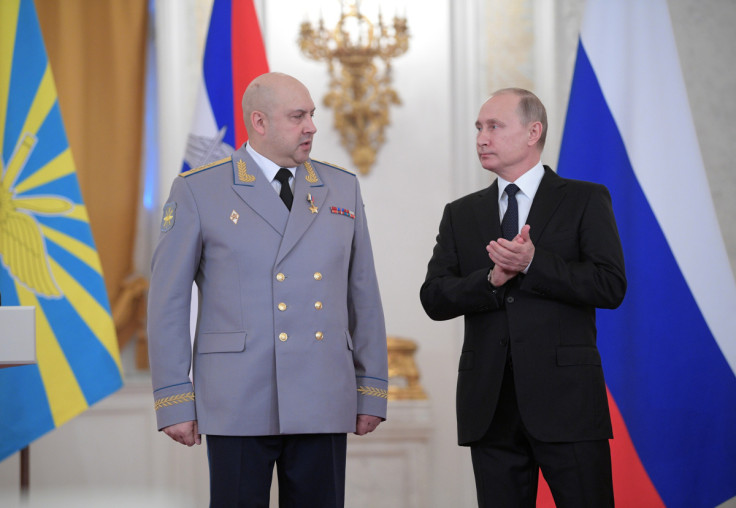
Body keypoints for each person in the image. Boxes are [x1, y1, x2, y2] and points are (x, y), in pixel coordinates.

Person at [148, 72, 388, 507]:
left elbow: (364, 294)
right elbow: (168, 302)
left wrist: (371, 386)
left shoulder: (341, 187)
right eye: (298, 116)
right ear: (259, 123)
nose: (312, 126)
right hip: (237, 397)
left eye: (312, 115)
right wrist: (173, 397)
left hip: (322, 393)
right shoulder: (199, 189)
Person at [420, 88, 626, 507]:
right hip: (490, 407)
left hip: (567, 402)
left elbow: (609, 286)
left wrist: (535, 263)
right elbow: (434, 298)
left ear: (534, 131)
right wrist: (491, 280)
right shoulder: (461, 212)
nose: (481, 137)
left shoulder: (585, 199)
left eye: (494, 126)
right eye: (479, 127)